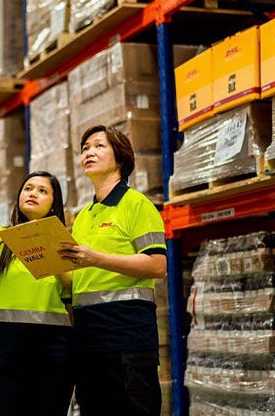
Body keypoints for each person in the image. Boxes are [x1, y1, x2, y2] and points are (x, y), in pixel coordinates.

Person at [58, 125, 167, 416]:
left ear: (120, 158)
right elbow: (84, 281)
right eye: (84, 149)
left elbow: (157, 264)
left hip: (126, 339)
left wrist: (96, 258)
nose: (88, 152)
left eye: (98, 146)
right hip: (89, 341)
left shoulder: (137, 205)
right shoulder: (83, 217)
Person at [0, 135, 74, 416]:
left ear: (53, 204)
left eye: (42, 190)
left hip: (53, 350)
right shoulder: (1, 242)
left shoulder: (67, 244)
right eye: (28, 188)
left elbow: (74, 294)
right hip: (6, 352)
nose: (33, 193)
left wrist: (58, 259)